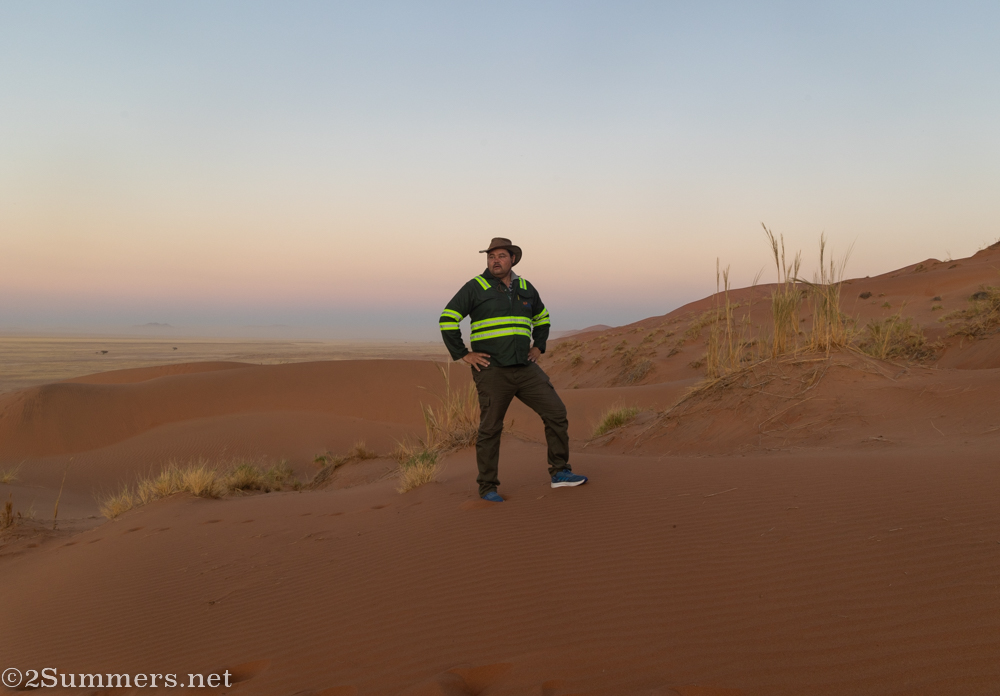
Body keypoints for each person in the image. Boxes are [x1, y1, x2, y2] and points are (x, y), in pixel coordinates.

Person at [439, 237, 588, 502]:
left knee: (556, 413)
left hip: (525, 368)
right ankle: (487, 487)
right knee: (490, 428)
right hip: (492, 370)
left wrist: (539, 346)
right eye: (491, 257)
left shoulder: (525, 287)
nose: (495, 261)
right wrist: (463, 354)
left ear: (513, 259)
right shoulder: (476, 287)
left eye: (501, 256)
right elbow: (448, 319)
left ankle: (560, 473)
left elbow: (542, 318)